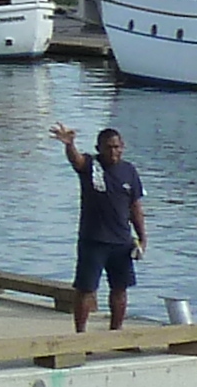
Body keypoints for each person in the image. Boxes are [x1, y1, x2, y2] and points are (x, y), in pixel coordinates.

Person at [53, 122, 146, 330]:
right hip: (93, 240)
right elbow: (76, 161)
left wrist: (142, 237)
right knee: (86, 289)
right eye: (108, 147)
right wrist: (69, 144)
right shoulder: (91, 165)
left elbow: (136, 206)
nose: (113, 151)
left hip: (122, 240)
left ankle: (116, 333)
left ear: (123, 146)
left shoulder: (129, 170)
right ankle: (81, 334)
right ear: (99, 148)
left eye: (117, 146)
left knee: (120, 289)